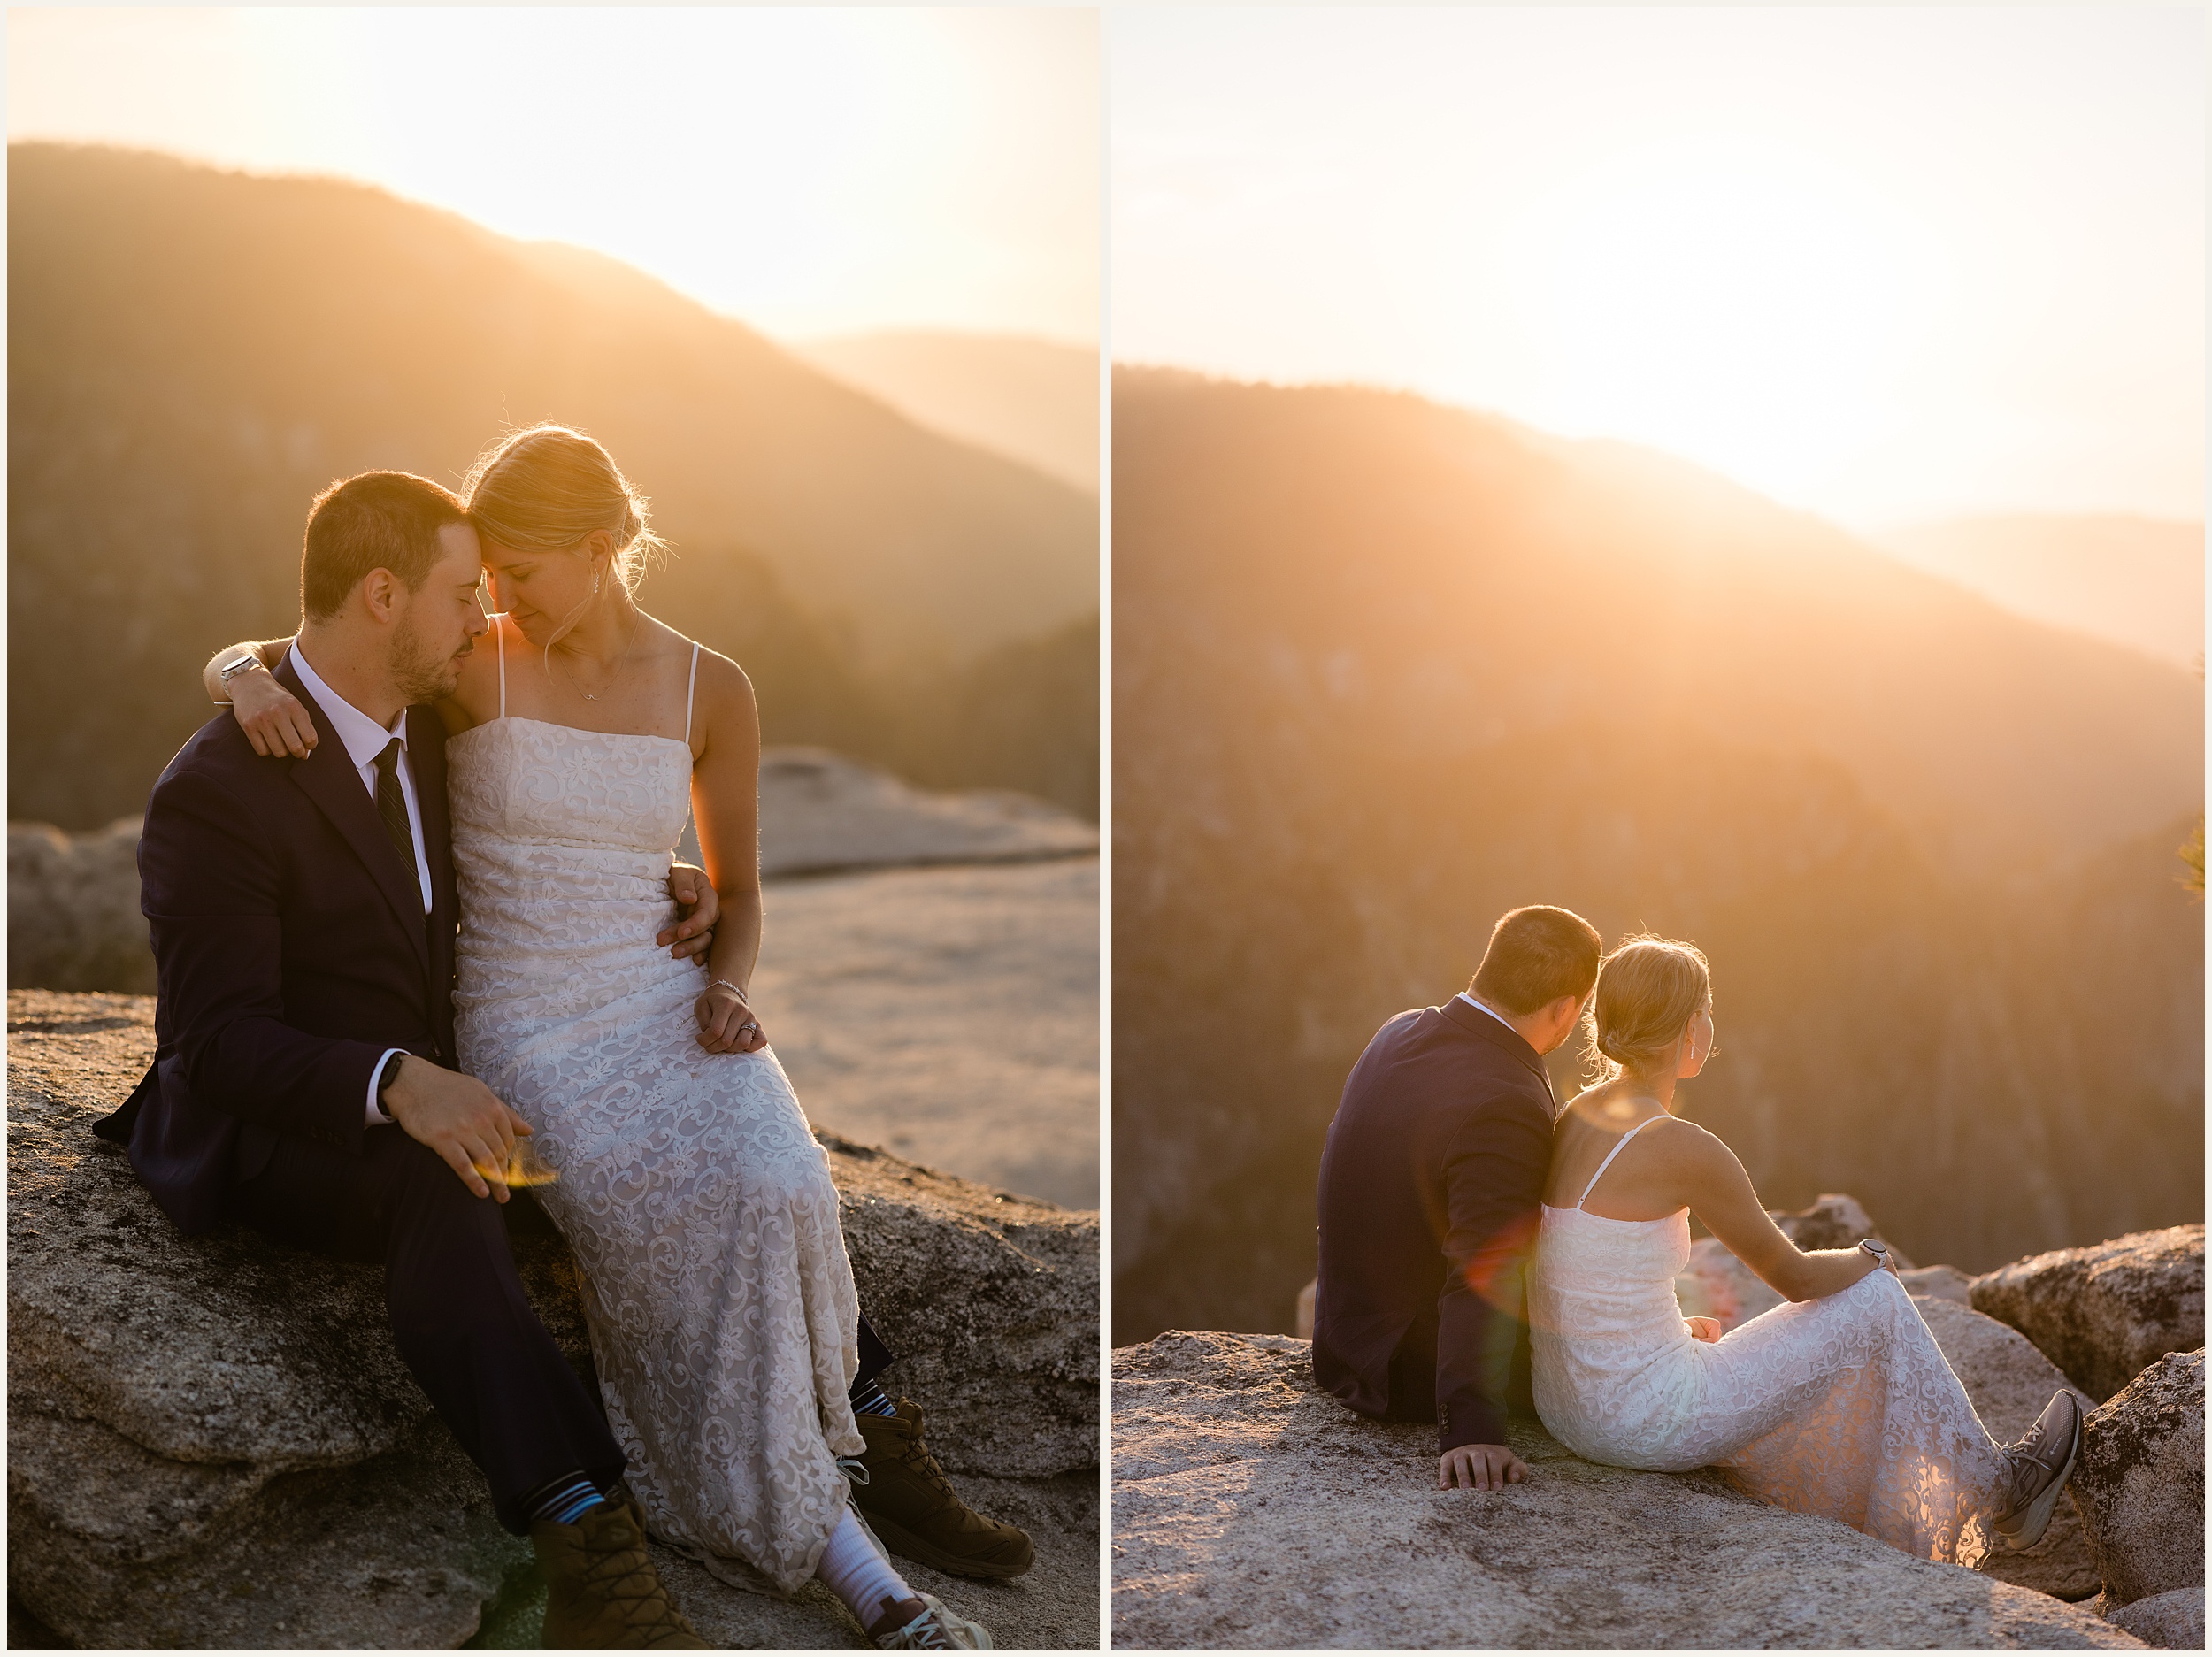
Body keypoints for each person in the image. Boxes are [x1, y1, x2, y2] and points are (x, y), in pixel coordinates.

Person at [199, 437, 1022, 1649]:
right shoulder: (476, 664)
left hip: (658, 999)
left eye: (520, 571)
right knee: (682, 1217)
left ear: (601, 550)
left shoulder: (713, 688)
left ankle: (875, 1436)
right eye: (483, 577)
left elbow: (738, 895)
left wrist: (729, 984)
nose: (496, 597)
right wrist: (235, 678)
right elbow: (323, 650)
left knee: (783, 1180)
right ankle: (860, 1568)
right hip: (527, 1021)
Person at [108, 471, 719, 1647]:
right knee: (435, 1181)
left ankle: (862, 1414)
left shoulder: (432, 722)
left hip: (459, 1070)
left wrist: (659, 866)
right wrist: (398, 1081)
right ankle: (591, 1555)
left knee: (684, 1138)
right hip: (274, 1124)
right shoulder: (217, 794)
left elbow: (564, 800)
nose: (484, 617)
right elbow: (213, 1042)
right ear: (383, 595)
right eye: (458, 592)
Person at [1529, 936, 2079, 1561]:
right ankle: (2003, 1489)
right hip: (1640, 1419)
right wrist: (1869, 1256)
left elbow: (1582, 1266)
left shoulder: (1574, 1117)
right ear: (1689, 1028)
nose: (1711, 1022)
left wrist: (1658, 1331)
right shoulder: (1683, 1147)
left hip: (1569, 1409)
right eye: (1707, 1009)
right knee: (1875, 1299)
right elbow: (1793, 1275)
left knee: (1823, 1315)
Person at [1312, 904, 1603, 1492]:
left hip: (1346, 1344)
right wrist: (1472, 1426)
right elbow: (1485, 1264)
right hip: (1409, 1371)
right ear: (1566, 1010)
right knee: (1620, 1368)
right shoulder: (1507, 1097)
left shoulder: (1396, 1031)